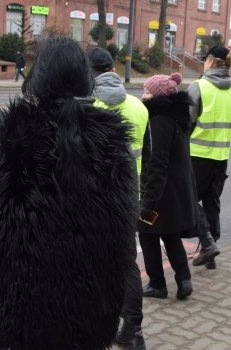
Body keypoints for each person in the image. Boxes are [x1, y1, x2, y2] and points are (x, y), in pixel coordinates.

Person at [0, 36, 138, 349]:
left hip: (16, 306)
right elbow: (127, 220)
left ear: (37, 81)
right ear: (87, 82)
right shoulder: (115, 143)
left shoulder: (9, 135)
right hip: (90, 308)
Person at [88, 47, 148, 350]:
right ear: (112, 68)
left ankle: (101, 327)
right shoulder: (139, 107)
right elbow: (147, 157)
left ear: (90, 72)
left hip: (96, 200)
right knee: (126, 264)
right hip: (128, 197)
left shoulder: (89, 106)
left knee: (95, 265)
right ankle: (133, 330)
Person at [138, 72, 197, 301]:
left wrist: (148, 202)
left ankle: (157, 284)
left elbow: (157, 163)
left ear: (158, 97)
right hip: (175, 191)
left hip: (159, 193)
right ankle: (184, 280)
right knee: (171, 235)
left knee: (147, 233)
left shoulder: (158, 121)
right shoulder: (177, 117)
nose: (143, 95)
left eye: (148, 91)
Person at [186, 45, 231, 269]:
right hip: (221, 156)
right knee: (212, 202)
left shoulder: (198, 86)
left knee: (189, 199)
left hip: (196, 156)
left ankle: (208, 243)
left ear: (210, 61)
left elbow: (187, 122)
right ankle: (211, 254)